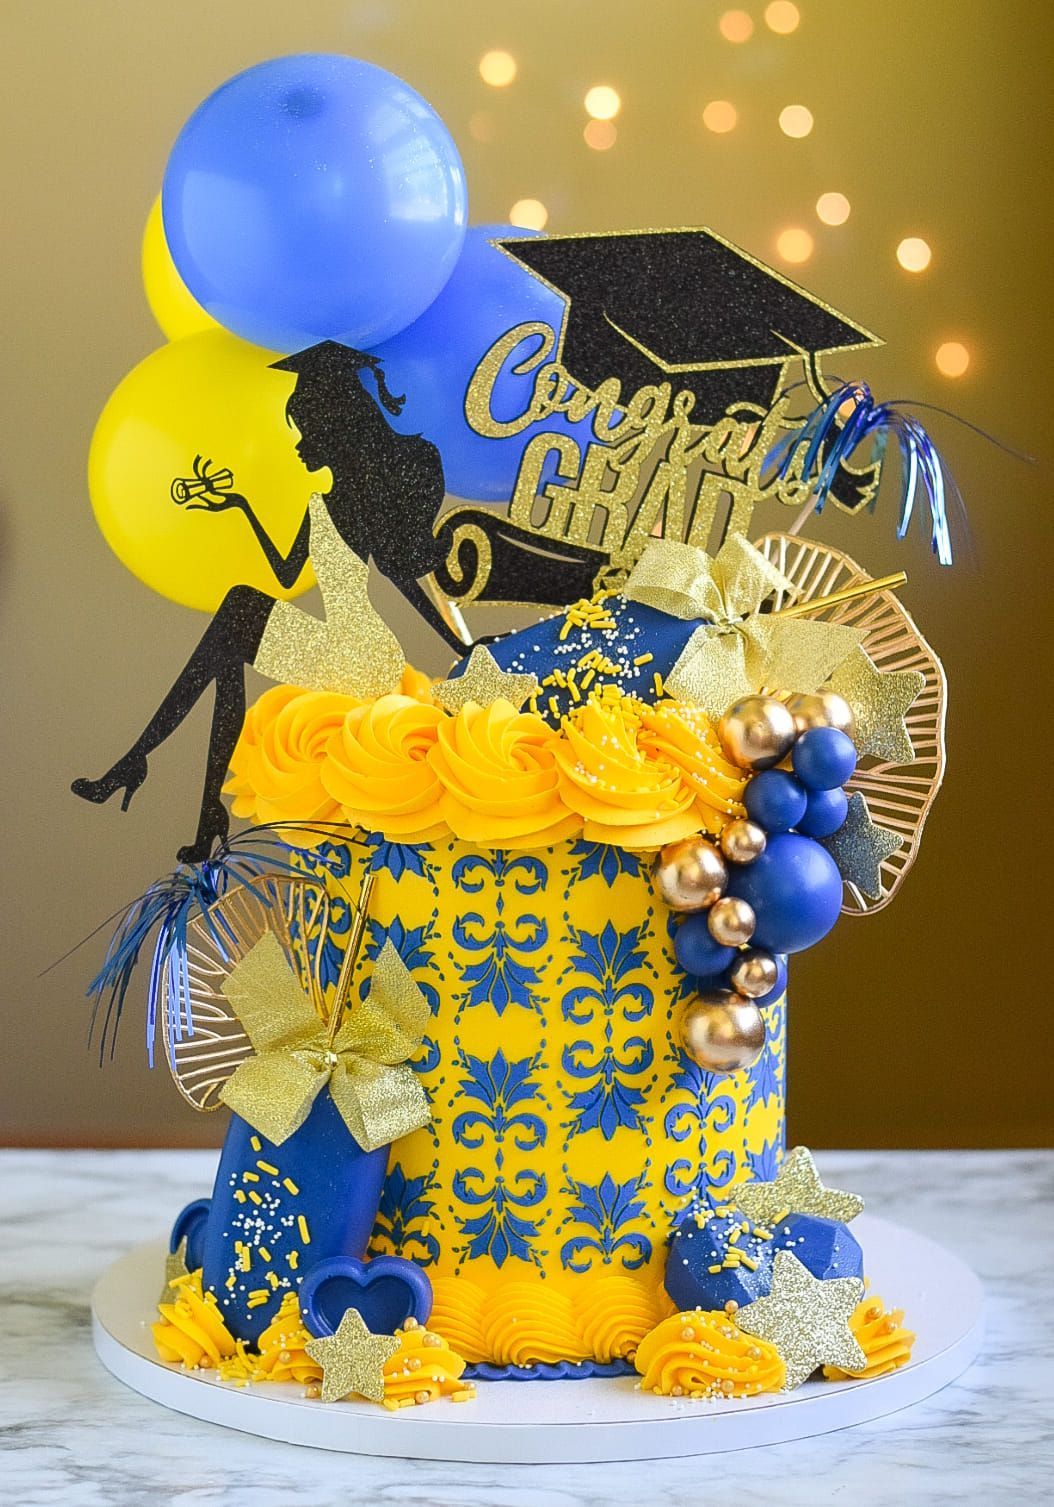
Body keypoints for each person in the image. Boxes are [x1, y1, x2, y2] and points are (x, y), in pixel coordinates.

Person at [73, 341, 468, 862]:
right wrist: (239, 505)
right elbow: (285, 573)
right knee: (231, 637)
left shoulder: (373, 489)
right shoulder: (320, 501)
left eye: (303, 425)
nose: (299, 440)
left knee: (233, 624)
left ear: (334, 422)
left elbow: (401, 574)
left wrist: (461, 646)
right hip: (336, 644)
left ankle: (142, 766)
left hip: (364, 654)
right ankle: (199, 804)